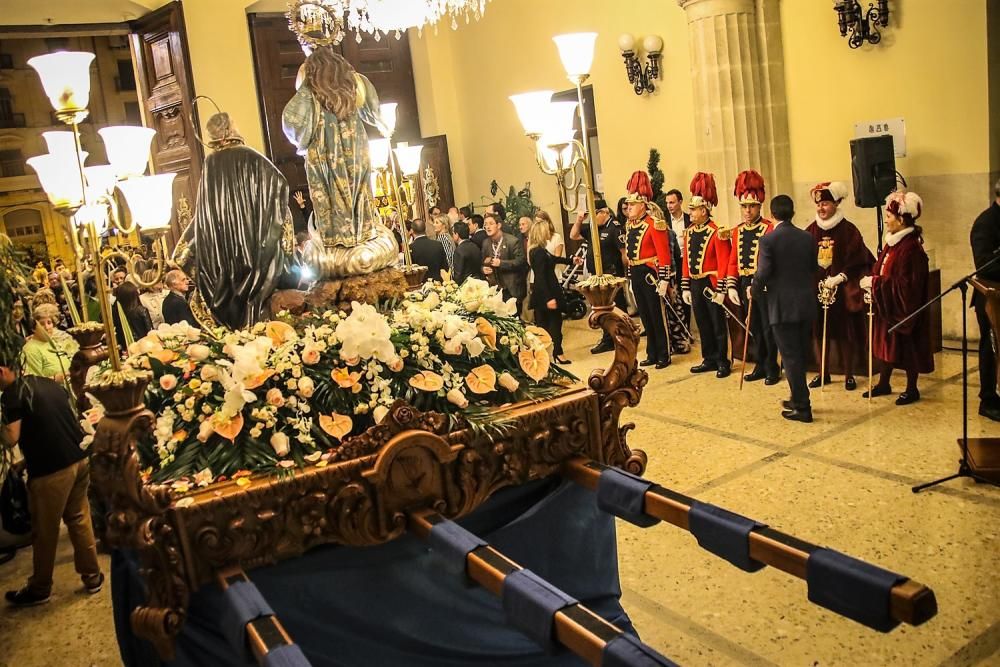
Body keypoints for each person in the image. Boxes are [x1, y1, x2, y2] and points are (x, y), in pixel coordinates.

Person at [1, 344, 104, 606]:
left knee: (44, 531)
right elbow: (51, 425)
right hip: (78, 459)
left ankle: (40, 587)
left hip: (52, 471)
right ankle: (92, 576)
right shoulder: (44, 383)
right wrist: (25, 463)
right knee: (79, 519)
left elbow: (11, 437)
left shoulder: (13, 394)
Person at [282, 45, 397, 279]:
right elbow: (375, 112)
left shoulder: (308, 79)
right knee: (358, 189)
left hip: (325, 154)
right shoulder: (353, 79)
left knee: (333, 191)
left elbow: (293, 123)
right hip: (353, 147)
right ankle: (359, 235)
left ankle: (340, 239)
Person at [188, 111, 292, 330]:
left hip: (221, 246)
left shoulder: (210, 164)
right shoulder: (250, 156)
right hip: (253, 245)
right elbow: (278, 184)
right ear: (229, 129)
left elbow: (206, 212)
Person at [860, 191, 933, 405]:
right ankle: (884, 382)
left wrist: (876, 284)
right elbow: (880, 268)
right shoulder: (893, 243)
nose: (887, 220)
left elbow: (907, 286)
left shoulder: (911, 249)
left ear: (901, 220)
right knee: (885, 344)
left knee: (907, 347)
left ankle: (912, 388)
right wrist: (873, 284)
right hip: (887, 304)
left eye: (889, 216)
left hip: (905, 309)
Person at [754, 195, 818, 423]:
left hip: (781, 307)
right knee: (798, 354)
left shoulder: (769, 240)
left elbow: (763, 272)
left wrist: (753, 288)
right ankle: (798, 396)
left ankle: (802, 407)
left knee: (790, 357)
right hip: (805, 304)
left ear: (772, 214)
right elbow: (813, 267)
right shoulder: (807, 237)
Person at [807, 181, 875, 391]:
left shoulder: (849, 230)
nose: (821, 209)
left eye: (826, 203)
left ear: (836, 203)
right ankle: (823, 372)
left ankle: (848, 374)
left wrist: (841, 277)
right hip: (817, 291)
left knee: (846, 334)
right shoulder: (810, 230)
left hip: (843, 292)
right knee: (819, 332)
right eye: (819, 205)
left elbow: (860, 258)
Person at [725, 170, 779, 384]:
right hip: (745, 283)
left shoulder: (769, 228)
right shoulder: (737, 231)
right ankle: (760, 363)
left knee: (767, 326)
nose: (747, 211)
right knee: (754, 326)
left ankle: (772, 366)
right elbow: (732, 260)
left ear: (759, 206)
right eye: (744, 206)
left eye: (752, 206)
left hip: (764, 285)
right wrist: (731, 285)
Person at [681, 172, 731, 377]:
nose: (690, 213)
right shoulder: (690, 232)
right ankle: (708, 358)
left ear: (704, 210)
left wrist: (721, 289)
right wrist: (685, 285)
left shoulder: (716, 231)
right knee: (702, 322)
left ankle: (722, 361)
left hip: (711, 283)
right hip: (695, 283)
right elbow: (686, 260)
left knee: (717, 324)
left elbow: (724, 262)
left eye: (694, 209)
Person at [623, 171, 673, 369]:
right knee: (644, 315)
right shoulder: (630, 225)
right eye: (628, 205)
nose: (629, 208)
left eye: (632, 205)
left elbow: (664, 254)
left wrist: (664, 279)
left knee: (656, 315)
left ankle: (664, 353)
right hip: (636, 273)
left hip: (650, 273)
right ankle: (652, 352)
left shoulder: (655, 224)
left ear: (643, 205)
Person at [571, 198, 628, 353]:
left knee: (617, 309)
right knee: (602, 309)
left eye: (595, 214)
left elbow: (624, 253)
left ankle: (624, 338)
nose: (593, 218)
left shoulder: (615, 228)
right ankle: (608, 338)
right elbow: (574, 235)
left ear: (604, 212)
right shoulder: (594, 227)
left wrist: (626, 274)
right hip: (597, 275)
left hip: (612, 275)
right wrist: (579, 220)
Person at [971, 177, 1000, 421]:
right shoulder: (986, 223)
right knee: (991, 347)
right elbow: (984, 265)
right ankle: (988, 399)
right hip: (991, 297)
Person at [528, 222, 571, 364]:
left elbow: (553, 259)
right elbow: (541, 276)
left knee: (543, 325)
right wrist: (549, 298)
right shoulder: (539, 252)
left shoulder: (537, 250)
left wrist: (570, 261)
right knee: (554, 323)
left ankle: (545, 354)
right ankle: (557, 352)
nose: (549, 233)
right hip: (547, 292)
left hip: (542, 292)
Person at [481, 212, 527, 315]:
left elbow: (521, 262)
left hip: (511, 288)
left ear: (499, 225)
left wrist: (501, 263)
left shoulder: (512, 241)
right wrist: (483, 269)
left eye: (491, 223)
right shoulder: (485, 243)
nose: (487, 227)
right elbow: (482, 262)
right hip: (495, 289)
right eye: (485, 224)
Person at [22, 303, 78, 384]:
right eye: (41, 324)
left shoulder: (54, 341)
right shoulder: (30, 350)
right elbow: (31, 382)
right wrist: (54, 379)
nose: (47, 327)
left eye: (49, 322)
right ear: (33, 328)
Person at [112, 282, 154, 351]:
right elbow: (150, 331)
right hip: (143, 346)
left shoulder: (116, 313)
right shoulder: (141, 310)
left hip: (125, 347)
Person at [451, 221, 483, 285]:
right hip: (478, 282)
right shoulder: (475, 246)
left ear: (457, 235)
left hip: (466, 285)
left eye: (453, 234)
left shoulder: (459, 250)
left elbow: (458, 274)